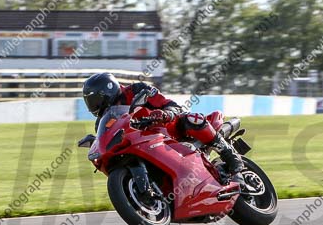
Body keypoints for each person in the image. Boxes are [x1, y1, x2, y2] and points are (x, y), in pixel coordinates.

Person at [82, 72, 245, 187]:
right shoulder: (103, 121)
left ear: (106, 92)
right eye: (89, 101)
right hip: (142, 146)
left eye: (94, 99)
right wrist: (96, 143)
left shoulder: (136, 90)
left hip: (169, 130)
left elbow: (171, 105)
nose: (93, 105)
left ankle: (231, 157)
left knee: (192, 119)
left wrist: (164, 114)